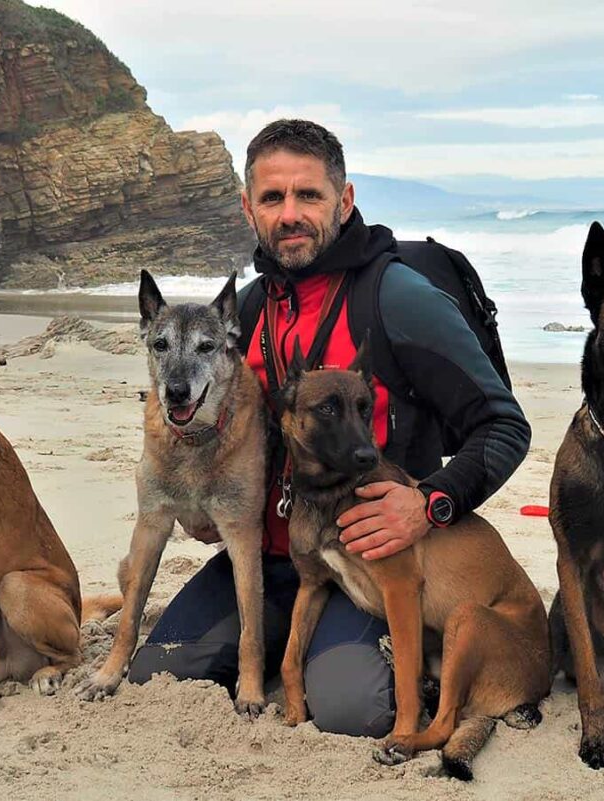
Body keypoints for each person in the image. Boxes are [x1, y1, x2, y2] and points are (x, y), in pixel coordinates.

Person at [128, 119, 531, 737]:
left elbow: (504, 426)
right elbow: (224, 430)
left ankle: (403, 662)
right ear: (249, 208)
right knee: (159, 673)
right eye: (272, 198)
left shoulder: (397, 298)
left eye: (308, 195)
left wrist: (431, 503)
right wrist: (202, 499)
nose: (290, 214)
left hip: (372, 567)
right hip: (272, 559)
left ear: (343, 201)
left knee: (350, 710)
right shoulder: (247, 314)